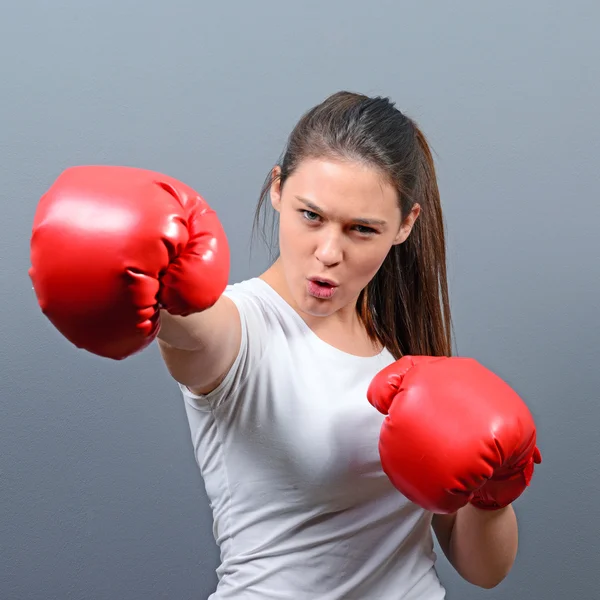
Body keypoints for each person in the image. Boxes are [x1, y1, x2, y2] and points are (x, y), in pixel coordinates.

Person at [29, 91, 541, 599]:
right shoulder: (242, 329)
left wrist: (493, 496)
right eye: (311, 216)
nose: (328, 252)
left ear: (405, 225)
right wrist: (141, 281)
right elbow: (190, 323)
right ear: (278, 189)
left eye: (362, 230)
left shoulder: (403, 354)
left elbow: (484, 571)